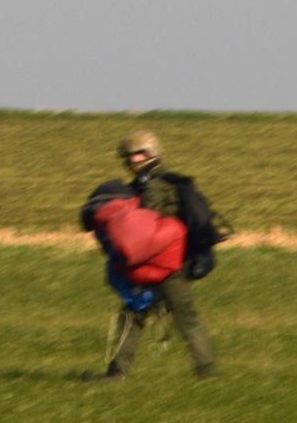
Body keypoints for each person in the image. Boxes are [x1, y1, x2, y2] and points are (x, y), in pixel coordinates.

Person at [90, 131, 216, 381]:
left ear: (150, 154)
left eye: (137, 154)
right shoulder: (161, 181)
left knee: (184, 318)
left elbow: (144, 227)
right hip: (163, 263)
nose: (132, 160)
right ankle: (117, 372)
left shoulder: (154, 186)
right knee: (133, 315)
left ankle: (207, 373)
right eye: (129, 155)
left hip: (168, 267)